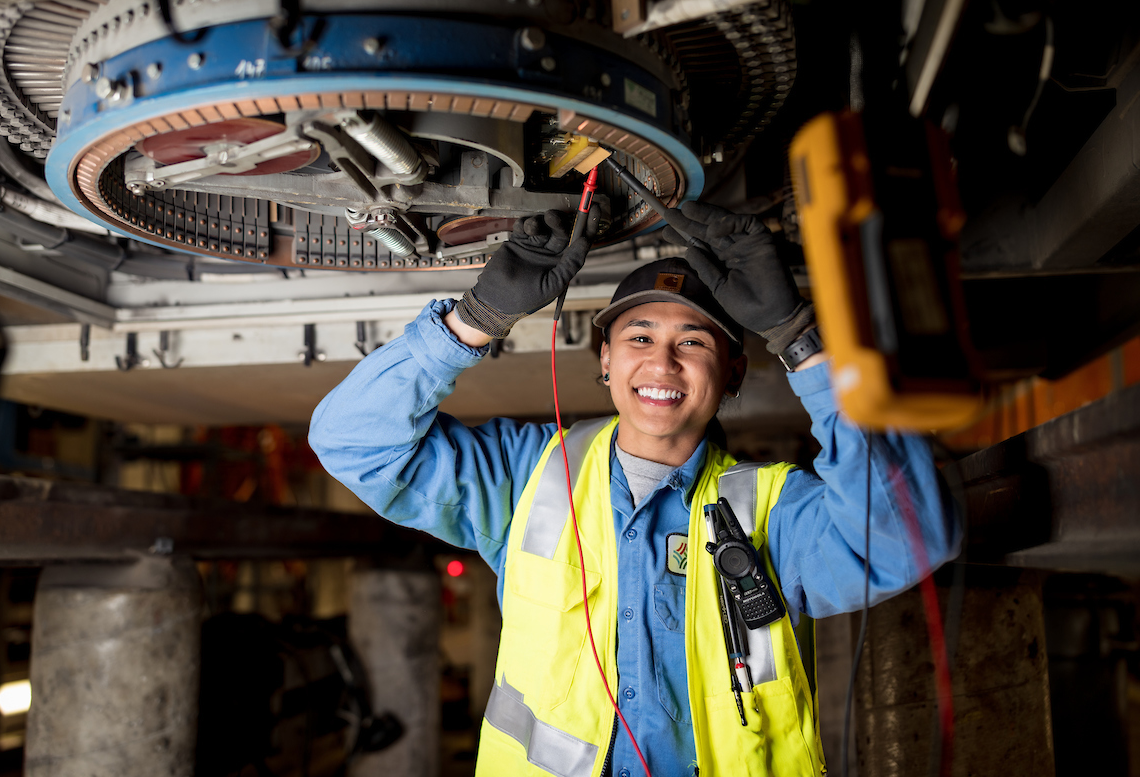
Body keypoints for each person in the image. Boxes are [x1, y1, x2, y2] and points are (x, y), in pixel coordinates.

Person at [309, 202, 961, 777]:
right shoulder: (523, 474)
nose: (661, 362)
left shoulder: (774, 512)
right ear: (605, 360)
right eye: (639, 337)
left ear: (732, 371)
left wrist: (799, 337)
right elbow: (351, 442)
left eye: (694, 341)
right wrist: (473, 320)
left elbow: (909, 538)